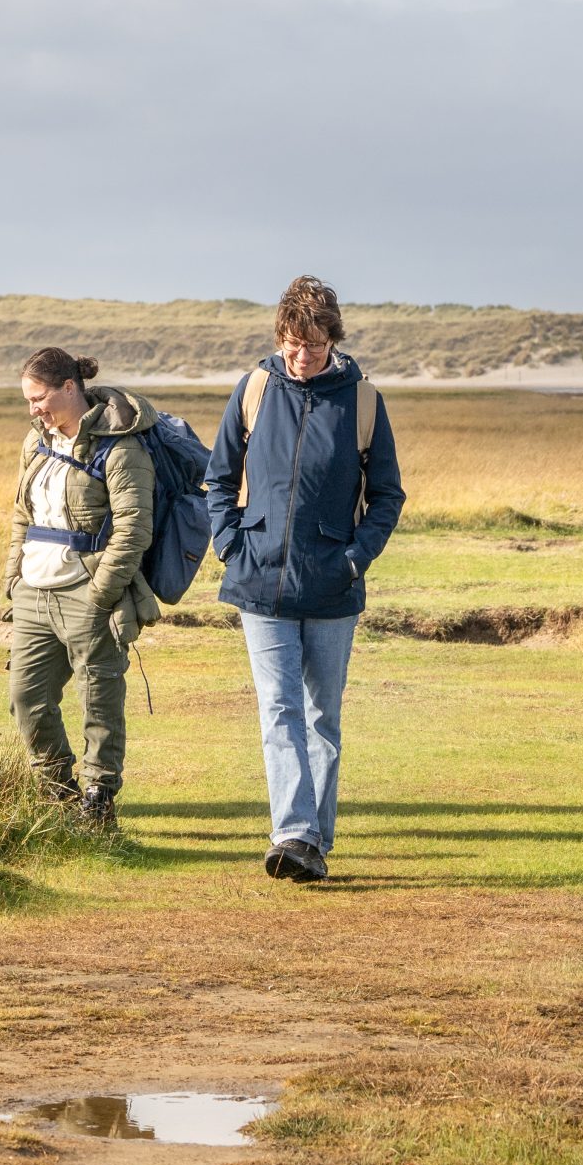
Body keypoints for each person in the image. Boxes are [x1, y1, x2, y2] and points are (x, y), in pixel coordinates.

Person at [203, 277, 405, 882]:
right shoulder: (255, 389)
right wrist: (230, 544)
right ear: (280, 337)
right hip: (259, 581)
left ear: (333, 340)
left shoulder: (362, 401)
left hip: (332, 586)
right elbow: (218, 479)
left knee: (322, 718)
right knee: (279, 708)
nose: (301, 356)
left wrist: (354, 559)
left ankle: (313, 841)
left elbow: (388, 495)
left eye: (314, 345)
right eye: (292, 344)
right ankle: (293, 835)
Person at [4, 348, 159, 828]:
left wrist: (101, 594)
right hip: (33, 592)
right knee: (26, 697)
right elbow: (22, 514)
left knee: (99, 699)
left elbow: (134, 527)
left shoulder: (121, 448)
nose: (34, 409)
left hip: (88, 592)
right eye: (28, 400)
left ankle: (98, 798)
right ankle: (57, 793)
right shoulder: (36, 443)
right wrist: (13, 579)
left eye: (40, 398)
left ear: (70, 387)